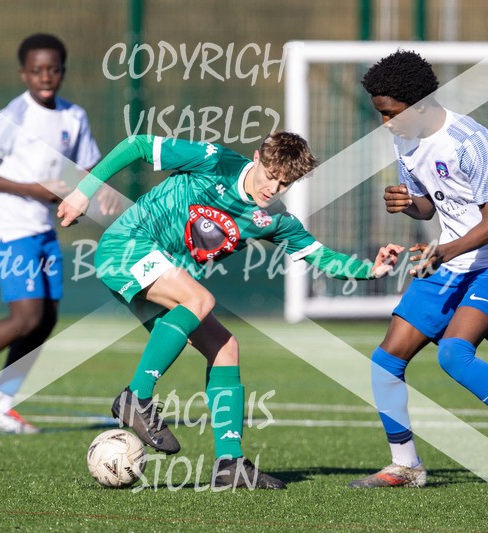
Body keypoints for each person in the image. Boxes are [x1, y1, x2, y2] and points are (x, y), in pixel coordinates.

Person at [58, 131, 404, 489]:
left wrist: (370, 270)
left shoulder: (274, 219)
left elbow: (321, 256)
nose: (274, 188)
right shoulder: (215, 161)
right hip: (128, 245)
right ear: (256, 157)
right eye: (270, 175)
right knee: (200, 300)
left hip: (160, 274)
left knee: (226, 348)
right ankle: (136, 397)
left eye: (285, 183)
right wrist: (84, 191)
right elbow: (138, 145)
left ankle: (230, 463)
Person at [349, 50, 488, 489]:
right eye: (380, 114)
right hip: (452, 256)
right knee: (384, 361)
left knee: (453, 353)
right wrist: (410, 205)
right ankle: (405, 466)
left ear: (419, 103)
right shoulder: (403, 138)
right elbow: (429, 205)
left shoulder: (471, 141)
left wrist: (443, 251)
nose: (385, 123)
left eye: (390, 114)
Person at [0, 33, 116, 433]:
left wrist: (99, 192)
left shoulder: (73, 117)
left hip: (43, 226)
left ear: (63, 71)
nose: (45, 77)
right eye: (36, 70)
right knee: (26, 314)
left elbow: (88, 170)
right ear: (23, 73)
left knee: (45, 318)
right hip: (8, 222)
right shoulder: (13, 115)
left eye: (52, 69)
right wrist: (33, 190)